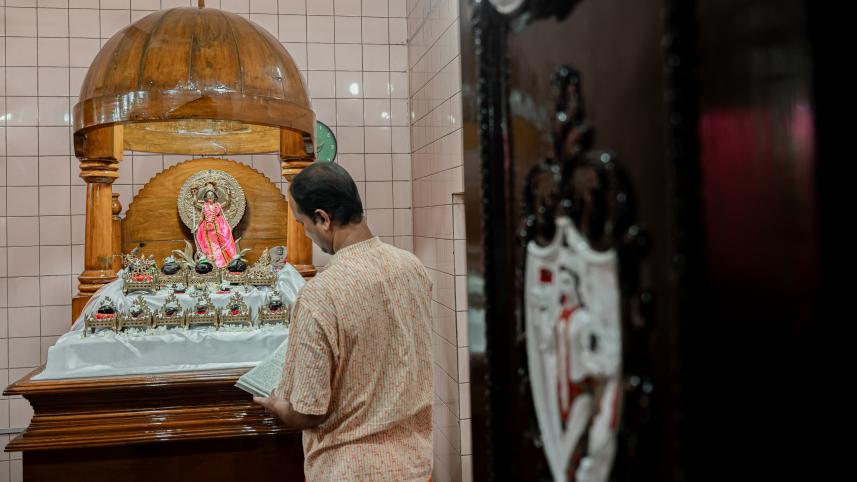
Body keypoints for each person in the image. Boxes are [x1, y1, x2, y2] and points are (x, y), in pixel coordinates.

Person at [254, 163, 433, 481]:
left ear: (323, 219)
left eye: (302, 223)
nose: (306, 233)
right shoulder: (412, 267)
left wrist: (278, 407)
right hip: (414, 463)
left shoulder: (320, 295)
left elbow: (307, 411)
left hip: (350, 469)